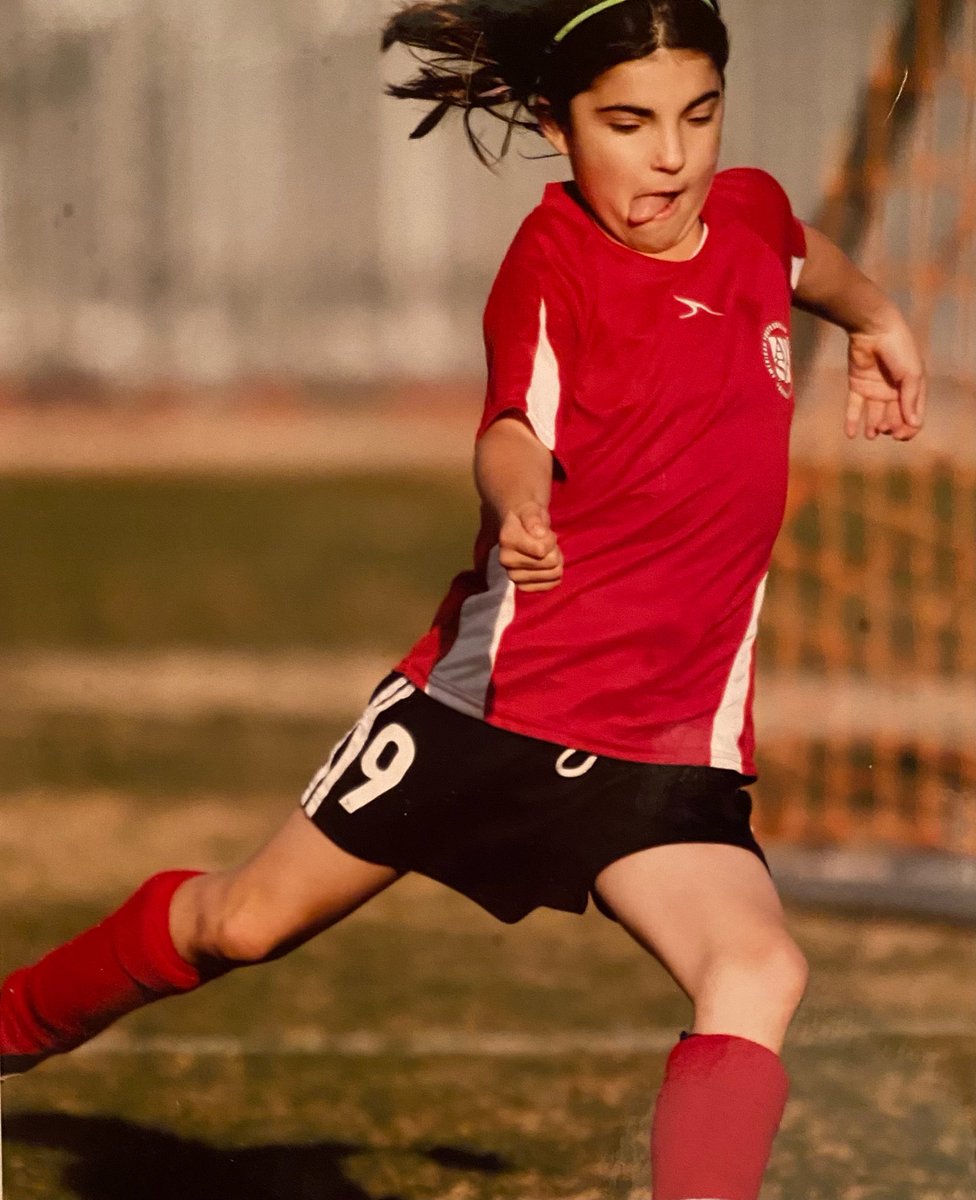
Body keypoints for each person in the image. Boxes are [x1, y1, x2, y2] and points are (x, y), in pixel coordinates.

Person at [1, 2, 926, 1197]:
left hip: (664, 745)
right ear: (555, 124)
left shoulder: (747, 214)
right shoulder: (553, 263)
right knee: (241, 924)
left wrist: (877, 319)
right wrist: (523, 504)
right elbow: (509, 426)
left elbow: (805, 257)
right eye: (628, 123)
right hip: (488, 713)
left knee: (757, 971)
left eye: (697, 117)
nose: (670, 156)